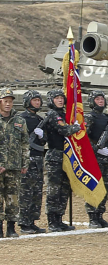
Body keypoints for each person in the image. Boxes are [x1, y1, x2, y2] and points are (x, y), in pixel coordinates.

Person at [43, 88, 81, 232]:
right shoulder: (53, 114)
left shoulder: (65, 114)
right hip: (55, 156)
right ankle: (52, 220)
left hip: (67, 155)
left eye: (61, 98)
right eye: (56, 98)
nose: (60, 100)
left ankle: (59, 218)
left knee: (64, 189)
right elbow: (64, 130)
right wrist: (75, 127)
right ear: (51, 100)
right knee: (54, 189)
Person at [83, 90, 108, 228]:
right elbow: (84, 138)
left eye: (102, 99)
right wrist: (96, 149)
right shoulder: (89, 117)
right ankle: (92, 217)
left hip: (106, 157)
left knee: (104, 188)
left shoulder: (107, 118)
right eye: (97, 99)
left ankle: (100, 215)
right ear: (92, 101)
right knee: (93, 187)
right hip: (94, 157)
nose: (100, 101)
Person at [17, 90, 47, 234]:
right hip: (26, 159)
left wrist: (42, 136)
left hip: (38, 159)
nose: (37, 103)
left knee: (36, 192)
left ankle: (32, 220)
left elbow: (44, 141)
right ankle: (24, 222)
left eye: (38, 100)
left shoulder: (40, 120)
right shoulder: (21, 118)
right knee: (25, 192)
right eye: (34, 100)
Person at [0, 88, 28, 238]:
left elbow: (25, 143)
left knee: (13, 199)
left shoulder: (19, 121)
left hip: (14, 166)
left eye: (10, 101)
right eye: (5, 101)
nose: (8, 104)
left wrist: (25, 162)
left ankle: (11, 228)